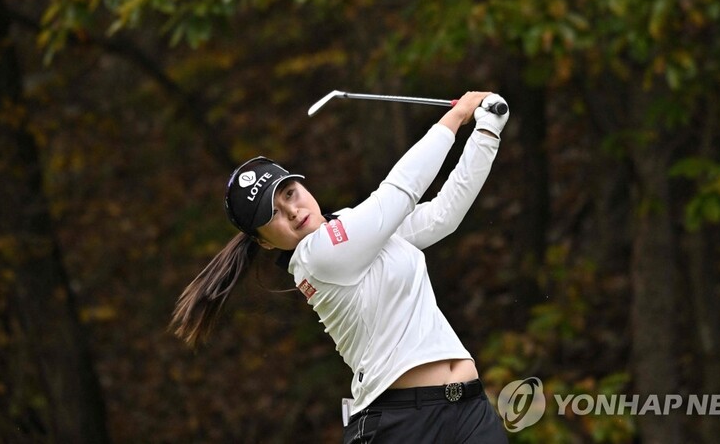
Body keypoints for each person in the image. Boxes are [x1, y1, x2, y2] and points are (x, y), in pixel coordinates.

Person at [169, 91, 510, 443]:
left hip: (469, 410)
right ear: (264, 242)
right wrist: (456, 118)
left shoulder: (353, 228)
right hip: (402, 423)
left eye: (288, 193)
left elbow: (441, 216)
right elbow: (401, 190)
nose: (291, 211)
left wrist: (487, 132)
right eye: (270, 215)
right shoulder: (316, 257)